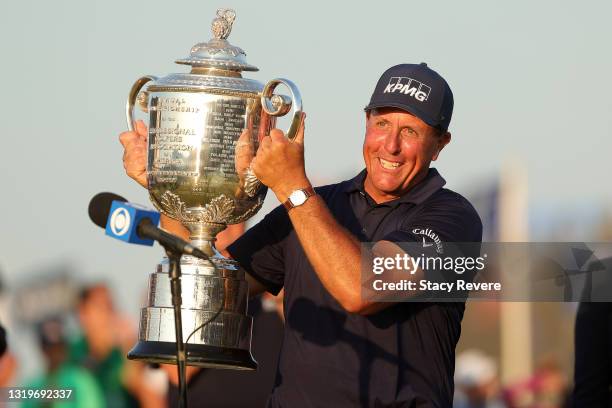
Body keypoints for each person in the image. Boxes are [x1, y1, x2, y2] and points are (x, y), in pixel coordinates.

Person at [120, 63, 483, 407]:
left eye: (411, 131)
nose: (390, 145)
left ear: (440, 144)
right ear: (366, 121)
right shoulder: (317, 204)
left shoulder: (452, 219)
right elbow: (204, 297)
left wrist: (293, 187)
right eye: (383, 123)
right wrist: (170, 189)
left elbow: (361, 288)